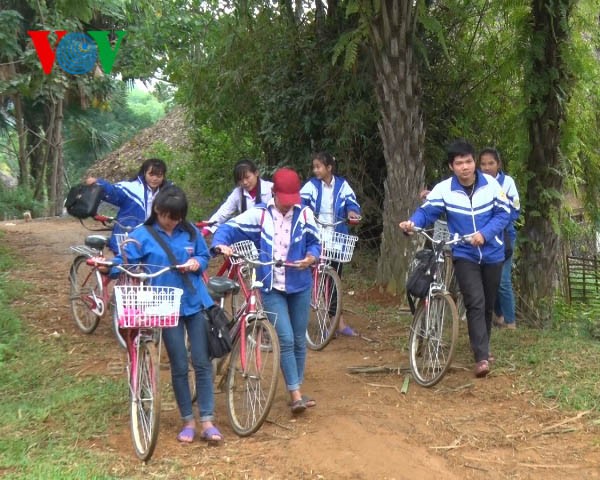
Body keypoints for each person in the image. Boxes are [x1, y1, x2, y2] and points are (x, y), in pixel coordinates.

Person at [109, 185, 223, 444]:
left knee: (202, 362)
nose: (172, 222)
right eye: (168, 216)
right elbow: (125, 262)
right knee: (179, 364)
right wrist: (110, 268)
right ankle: (188, 421)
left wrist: (197, 263)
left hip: (194, 301)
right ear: (157, 211)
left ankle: (207, 419)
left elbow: (204, 256)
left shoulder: (191, 231)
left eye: (178, 217)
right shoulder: (142, 235)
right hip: (163, 306)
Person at [212, 167, 321, 414]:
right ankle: (295, 395)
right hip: (271, 285)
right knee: (284, 337)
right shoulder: (260, 215)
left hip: (300, 284)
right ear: (274, 193)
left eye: (292, 200)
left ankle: (296, 386)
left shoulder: (304, 214)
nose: (288, 206)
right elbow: (229, 227)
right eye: (285, 200)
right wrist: (220, 244)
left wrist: (311, 256)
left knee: (298, 338)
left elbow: (315, 242)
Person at [399, 140, 511, 378]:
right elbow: (426, 211)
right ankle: (481, 357)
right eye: (459, 163)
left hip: (492, 253)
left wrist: (485, 233)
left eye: (468, 161)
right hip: (464, 253)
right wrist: (412, 224)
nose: (465, 167)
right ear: (451, 166)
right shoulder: (444, 190)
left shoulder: (491, 185)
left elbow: (504, 214)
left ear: (474, 163)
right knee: (475, 301)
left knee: (488, 303)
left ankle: (483, 347)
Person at [300, 151, 362, 337]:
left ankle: (337, 323)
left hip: (336, 238)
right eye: (314, 167)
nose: (315, 170)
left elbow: (352, 203)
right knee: (309, 277)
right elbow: (300, 203)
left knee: (334, 279)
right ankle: (302, 319)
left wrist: (352, 213)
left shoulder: (342, 186)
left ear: (329, 168)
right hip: (316, 238)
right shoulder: (311, 186)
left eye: (319, 166)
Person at [86, 158, 168, 254]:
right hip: (127, 237)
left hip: (151, 238)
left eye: (159, 175)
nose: (155, 178)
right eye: (151, 174)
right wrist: (98, 183)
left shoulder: (167, 192)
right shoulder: (131, 188)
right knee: (125, 267)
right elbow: (112, 192)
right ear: (144, 173)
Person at [478, 148, 520, 330]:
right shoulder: (476, 182)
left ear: (499, 164)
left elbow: (514, 211)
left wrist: (494, 225)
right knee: (488, 279)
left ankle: (511, 321)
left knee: (502, 280)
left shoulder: (507, 182)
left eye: (491, 163)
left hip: (504, 237)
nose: (487, 168)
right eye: (483, 164)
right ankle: (499, 316)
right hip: (482, 238)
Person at [202, 159, 273, 236]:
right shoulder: (238, 193)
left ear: (256, 173)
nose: (245, 182)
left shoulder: (271, 189)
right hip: (248, 236)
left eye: (247, 177)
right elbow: (223, 213)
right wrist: (206, 230)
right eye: (240, 180)